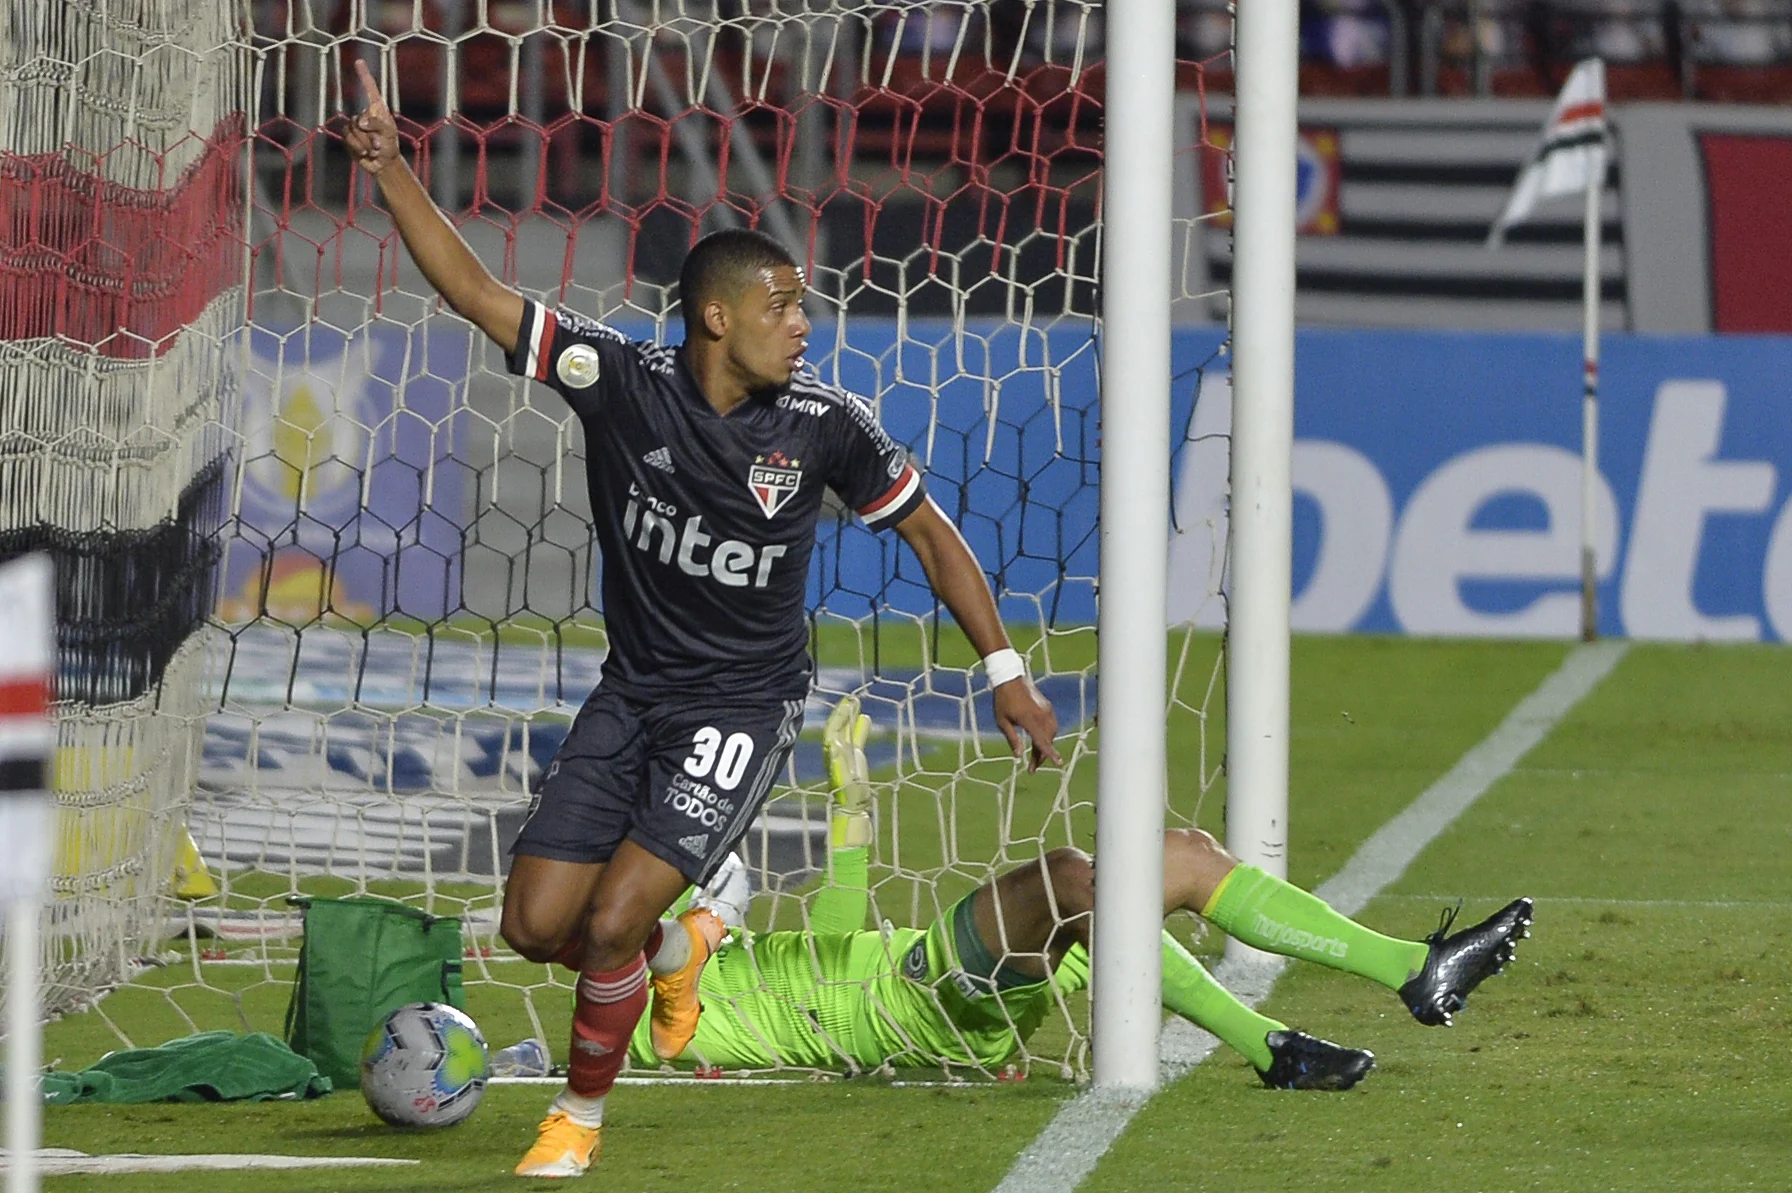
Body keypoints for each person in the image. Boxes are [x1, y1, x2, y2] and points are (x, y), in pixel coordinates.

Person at [343, 61, 1062, 1179]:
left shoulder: (826, 425)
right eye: (782, 306)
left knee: (616, 911)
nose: (803, 324)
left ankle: (577, 1119)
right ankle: (686, 949)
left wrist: (1004, 670)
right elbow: (479, 294)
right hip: (632, 693)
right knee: (537, 926)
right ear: (716, 316)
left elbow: (929, 532)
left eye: (803, 305)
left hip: (742, 702)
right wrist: (391, 173)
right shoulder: (622, 382)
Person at [608, 697, 1533, 1088]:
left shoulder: (707, 948)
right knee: (1069, 879)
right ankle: (1278, 1042)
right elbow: (656, 1008)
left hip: (909, 971)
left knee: (1176, 853)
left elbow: (832, 940)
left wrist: (851, 802)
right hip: (917, 1012)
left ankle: (1407, 970)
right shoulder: (649, 1019)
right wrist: (666, 940)